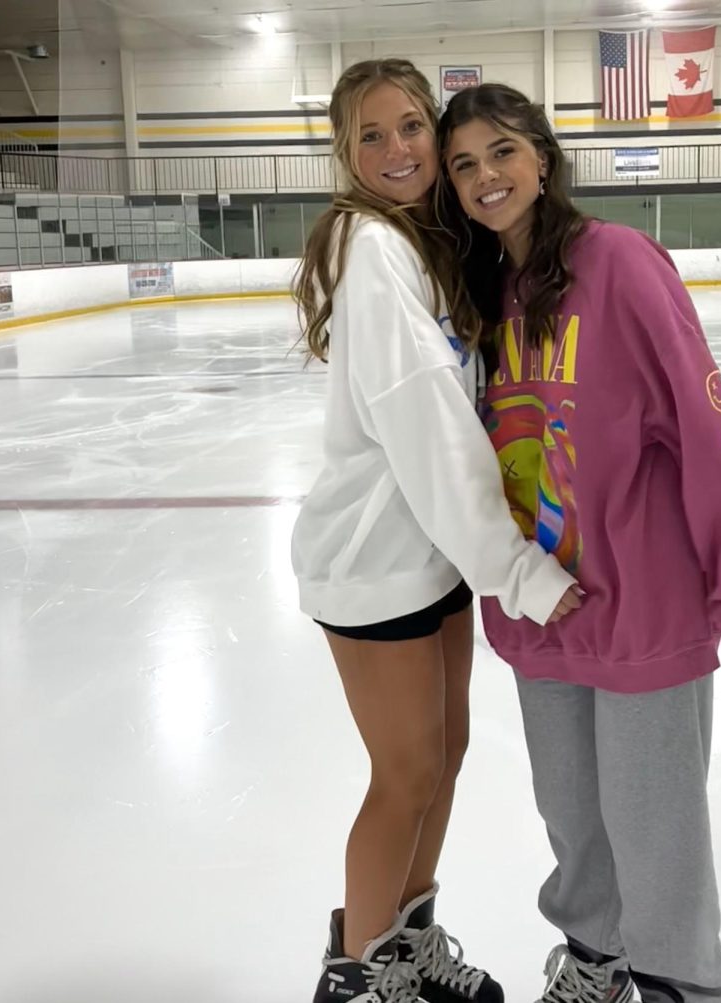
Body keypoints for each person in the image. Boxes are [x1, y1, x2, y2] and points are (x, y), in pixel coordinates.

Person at [437, 83, 721, 1003]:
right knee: (574, 818)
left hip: (642, 604)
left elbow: (714, 430)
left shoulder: (622, 264)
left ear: (542, 157)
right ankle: (595, 961)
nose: (486, 177)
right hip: (540, 603)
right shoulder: (479, 291)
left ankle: (676, 983)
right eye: (465, 163)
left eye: (502, 152)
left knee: (655, 825)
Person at [290, 62, 582, 1003]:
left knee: (442, 756)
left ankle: (404, 941)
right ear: (344, 150)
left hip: (429, 558)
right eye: (370, 135)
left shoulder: (423, 246)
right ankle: (359, 975)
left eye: (411, 126)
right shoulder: (370, 248)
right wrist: (517, 570)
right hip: (376, 561)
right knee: (406, 771)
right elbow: (429, 431)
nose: (396, 150)